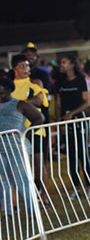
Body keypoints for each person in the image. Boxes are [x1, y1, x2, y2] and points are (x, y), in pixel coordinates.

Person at [0, 77, 44, 216]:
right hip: (0, 149)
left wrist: (26, 133)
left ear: (9, 91)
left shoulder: (19, 104)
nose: (0, 96)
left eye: (2, 93)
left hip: (16, 148)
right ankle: (7, 212)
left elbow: (39, 117)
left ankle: (32, 210)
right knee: (3, 182)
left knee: (22, 180)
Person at [54, 55, 90, 199]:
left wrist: (72, 114)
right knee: (71, 157)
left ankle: (89, 187)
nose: (61, 64)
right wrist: (59, 120)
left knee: (83, 155)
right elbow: (58, 103)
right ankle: (76, 188)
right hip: (66, 123)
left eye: (64, 62)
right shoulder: (60, 82)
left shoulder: (81, 81)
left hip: (79, 121)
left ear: (72, 64)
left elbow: (87, 103)